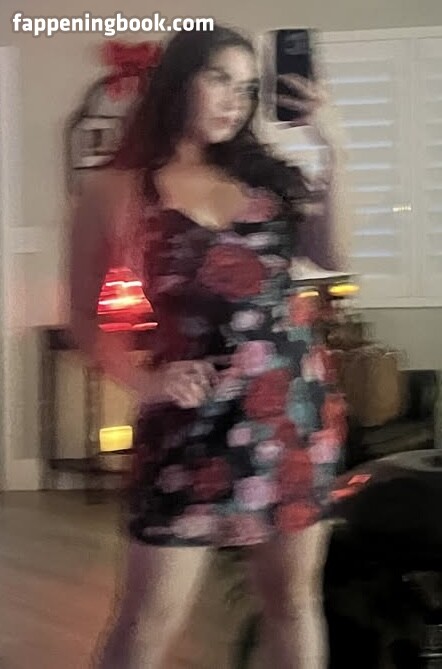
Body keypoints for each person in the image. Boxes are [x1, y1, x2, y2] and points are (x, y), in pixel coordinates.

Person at [69, 25, 347, 669]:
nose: (233, 100)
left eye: (247, 88)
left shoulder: (269, 181)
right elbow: (84, 316)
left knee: (293, 603)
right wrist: (145, 382)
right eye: (219, 78)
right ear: (179, 79)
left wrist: (333, 145)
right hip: (188, 426)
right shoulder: (117, 188)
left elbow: (333, 255)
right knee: (147, 618)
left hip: (290, 417)